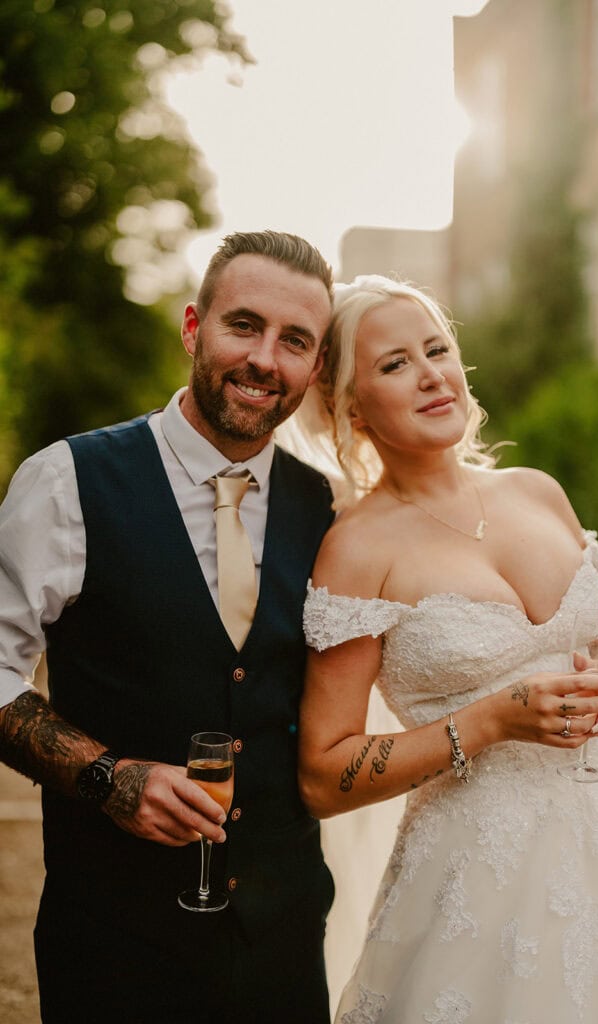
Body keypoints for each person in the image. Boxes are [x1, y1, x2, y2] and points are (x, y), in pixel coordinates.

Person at [298, 274, 598, 1022]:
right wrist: (492, 720)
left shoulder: (537, 491)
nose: (431, 374)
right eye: (394, 364)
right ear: (350, 407)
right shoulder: (355, 550)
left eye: (436, 349)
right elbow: (323, 773)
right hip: (475, 890)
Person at [0, 231, 337, 1024]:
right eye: (243, 325)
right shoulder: (66, 482)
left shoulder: (327, 510)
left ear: (315, 369)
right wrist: (107, 776)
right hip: (115, 941)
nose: (264, 360)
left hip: (283, 939)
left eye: (295, 341)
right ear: (194, 328)